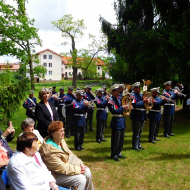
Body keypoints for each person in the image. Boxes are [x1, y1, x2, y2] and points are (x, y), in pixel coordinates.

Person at [39, 121, 94, 190]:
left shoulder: (61, 141)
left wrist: (80, 164)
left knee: (87, 171)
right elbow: (61, 167)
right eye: (60, 131)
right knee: (81, 179)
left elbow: (70, 155)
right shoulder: (49, 151)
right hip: (55, 175)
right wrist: (78, 169)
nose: (63, 133)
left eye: (63, 130)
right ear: (53, 134)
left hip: (65, 169)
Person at [107, 84, 128, 161]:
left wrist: (128, 107)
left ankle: (119, 152)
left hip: (122, 121)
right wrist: (123, 107)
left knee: (121, 139)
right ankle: (114, 154)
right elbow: (114, 111)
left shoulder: (119, 99)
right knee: (115, 140)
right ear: (112, 92)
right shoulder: (110, 101)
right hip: (116, 121)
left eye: (118, 91)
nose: (118, 92)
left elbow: (122, 109)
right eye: (116, 91)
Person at [130, 82, 147, 151]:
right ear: (134, 89)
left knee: (140, 131)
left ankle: (138, 144)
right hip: (136, 115)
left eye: (139, 88)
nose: (139, 89)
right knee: (136, 131)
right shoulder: (132, 96)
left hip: (142, 114)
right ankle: (135, 145)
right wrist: (143, 101)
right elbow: (135, 104)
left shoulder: (141, 95)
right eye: (137, 88)